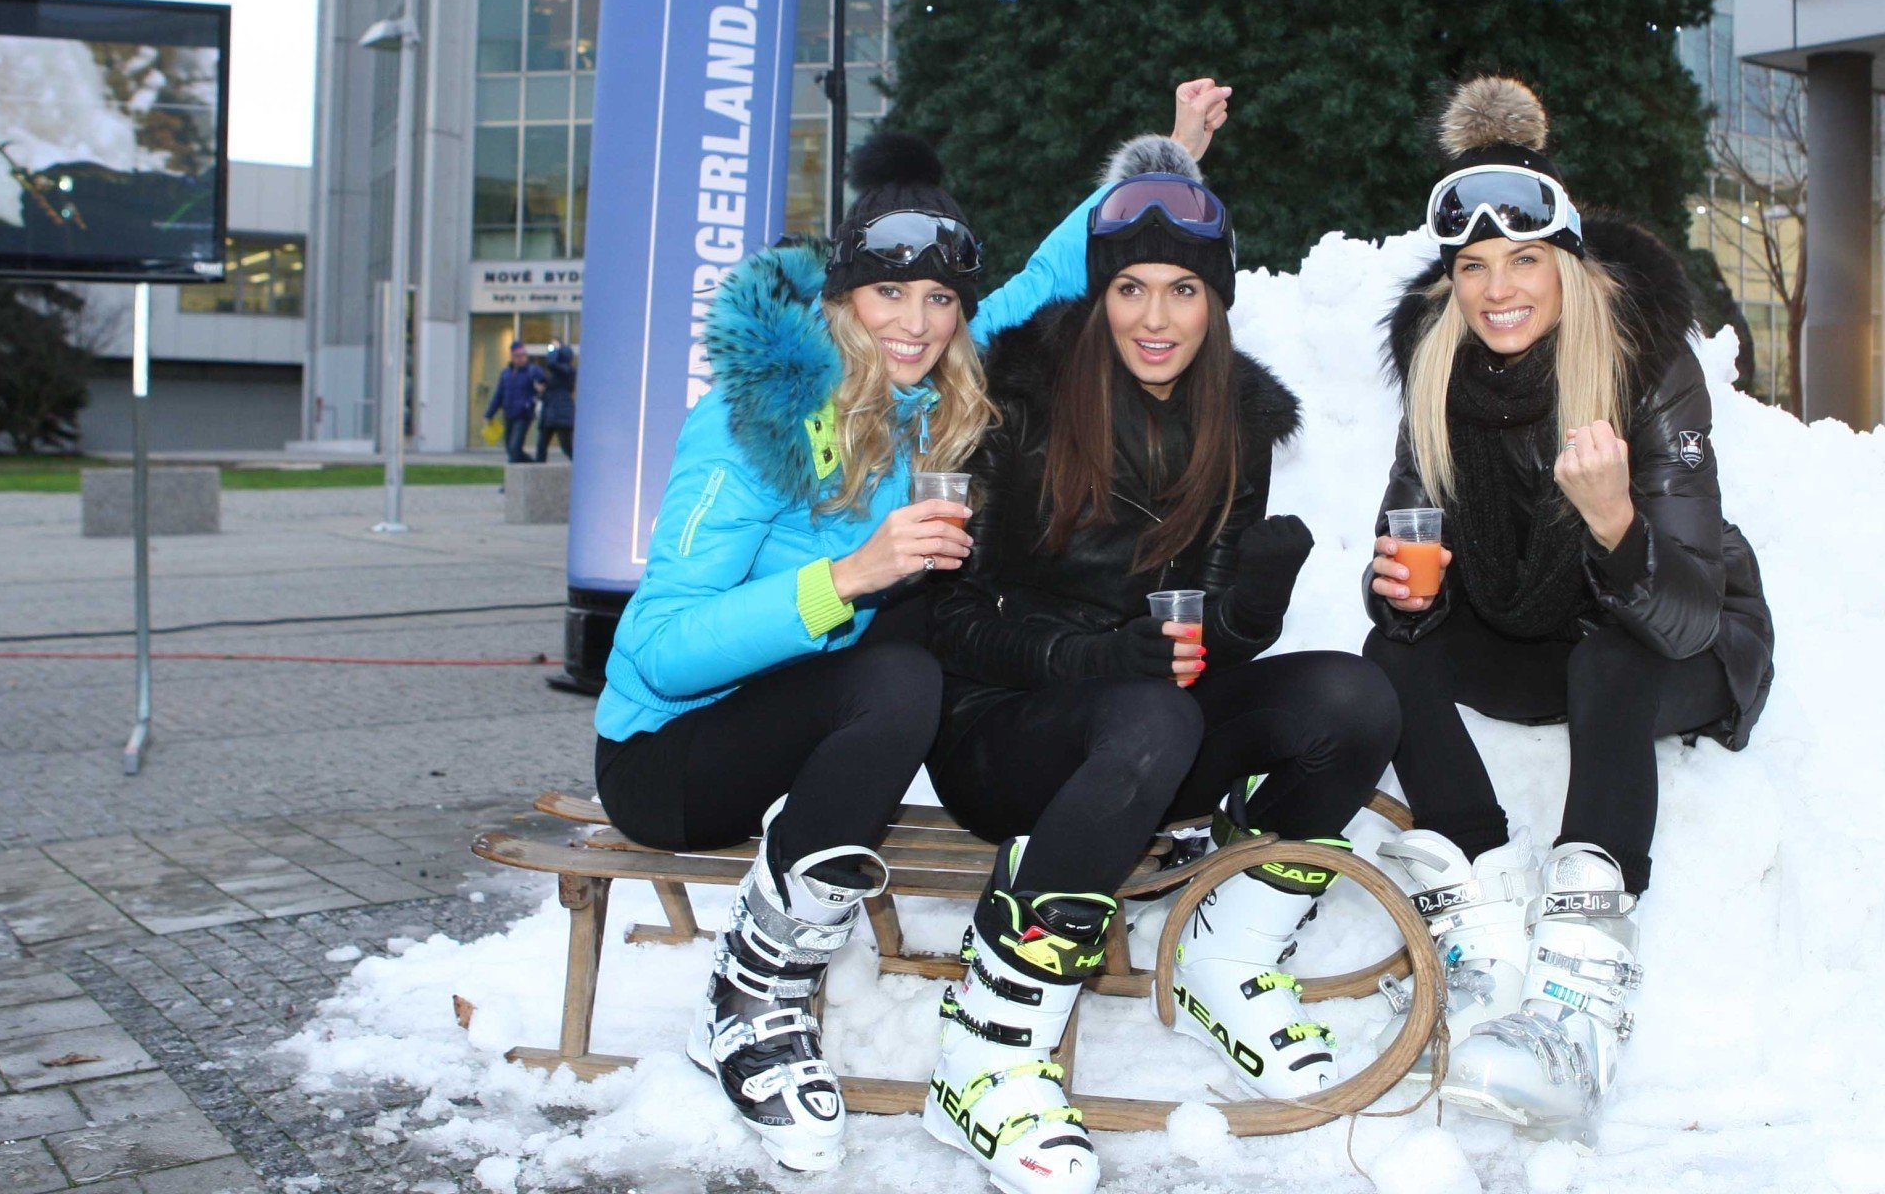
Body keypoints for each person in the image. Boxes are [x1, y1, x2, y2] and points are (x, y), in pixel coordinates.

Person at [594, 90, 1224, 1176]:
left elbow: (1045, 280)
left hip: (817, 721)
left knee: (906, 664)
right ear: (843, 297)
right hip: (672, 756)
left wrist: (1162, 176)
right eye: (890, 292)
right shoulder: (754, 420)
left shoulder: (934, 396)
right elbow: (654, 648)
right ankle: (751, 1000)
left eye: (939, 298)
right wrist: (849, 575)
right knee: (893, 671)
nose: (918, 322)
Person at [924, 140, 1400, 1194]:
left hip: (1149, 726)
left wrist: (1249, 611)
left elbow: (1198, 649)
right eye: (1130, 287)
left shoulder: (1237, 418)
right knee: (1150, 717)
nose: (1155, 316)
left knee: (1356, 697)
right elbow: (941, 616)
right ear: (1098, 295)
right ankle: (986, 1048)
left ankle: (1227, 956)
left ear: (1215, 300)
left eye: (1183, 289)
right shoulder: (1012, 400)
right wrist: (1087, 655)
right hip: (1003, 731)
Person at [1360, 77, 1775, 1138]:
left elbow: (1683, 613)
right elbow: (1408, 548)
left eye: (1525, 259)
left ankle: (1578, 1002)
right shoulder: (1438, 368)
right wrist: (1406, 597)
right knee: (1382, 651)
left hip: (1672, 644)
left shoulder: (1648, 368)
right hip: (1518, 633)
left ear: (1568, 263)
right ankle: (1481, 902)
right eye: (1473, 267)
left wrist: (1616, 525)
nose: (1499, 289)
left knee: (1613, 655)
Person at [484, 341, 542, 463]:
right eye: (518, 355)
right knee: (510, 448)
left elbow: (543, 381)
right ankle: (532, 465)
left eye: (523, 355)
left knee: (515, 447)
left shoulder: (531, 371)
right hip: (509, 414)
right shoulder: (506, 373)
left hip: (523, 415)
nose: (521, 358)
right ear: (512, 356)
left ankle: (515, 474)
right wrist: (489, 414)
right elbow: (499, 395)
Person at [534, 341, 577, 461]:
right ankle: (538, 470)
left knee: (566, 446)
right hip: (550, 412)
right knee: (541, 446)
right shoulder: (556, 374)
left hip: (560, 413)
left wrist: (553, 350)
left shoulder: (566, 370)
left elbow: (551, 362)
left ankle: (580, 464)